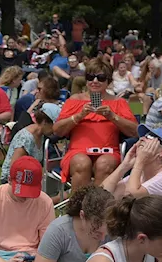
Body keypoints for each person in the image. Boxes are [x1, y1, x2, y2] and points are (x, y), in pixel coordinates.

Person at [103, 127, 162, 262]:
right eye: (143, 136)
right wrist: (125, 165)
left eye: (151, 137)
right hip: (138, 252)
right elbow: (104, 193)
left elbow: (132, 194)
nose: (142, 138)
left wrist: (139, 162)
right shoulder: (139, 176)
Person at [53, 58, 137, 190]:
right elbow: (57, 130)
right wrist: (79, 116)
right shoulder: (75, 100)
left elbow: (135, 131)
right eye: (91, 77)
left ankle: (99, 208)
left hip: (108, 152)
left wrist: (113, 117)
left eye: (101, 77)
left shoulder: (118, 102)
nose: (95, 81)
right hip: (77, 152)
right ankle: (77, 208)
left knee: (105, 163)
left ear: (108, 81)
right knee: (81, 162)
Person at [0, 107, 54, 184]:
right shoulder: (26, 138)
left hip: (29, 178)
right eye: (53, 125)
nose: (55, 129)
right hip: (13, 181)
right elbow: (14, 167)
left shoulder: (41, 135)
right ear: (45, 122)